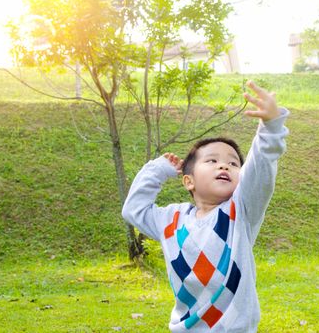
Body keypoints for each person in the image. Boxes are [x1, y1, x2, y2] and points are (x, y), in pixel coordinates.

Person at [122, 80, 289, 332]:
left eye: (233, 164)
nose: (224, 166)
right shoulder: (171, 220)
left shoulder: (240, 212)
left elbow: (260, 166)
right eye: (212, 160)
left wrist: (271, 126)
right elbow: (134, 210)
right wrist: (157, 170)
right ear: (188, 181)